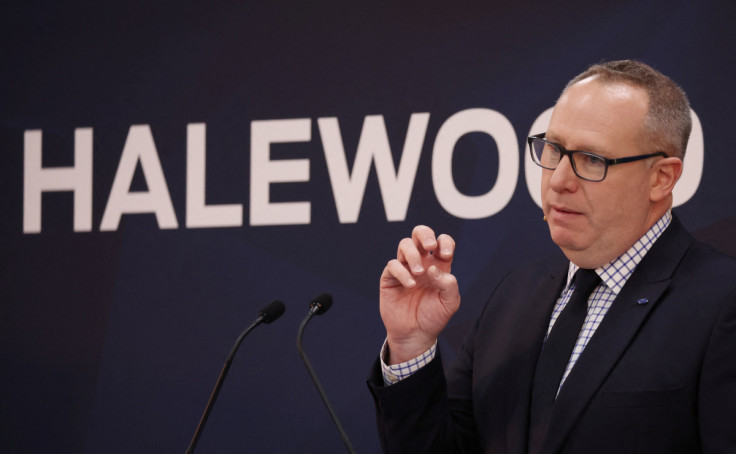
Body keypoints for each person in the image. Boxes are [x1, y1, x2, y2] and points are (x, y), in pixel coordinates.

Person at [367, 60, 736, 454]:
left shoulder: (720, 301)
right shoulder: (514, 297)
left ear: (661, 177)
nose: (558, 180)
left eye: (592, 159)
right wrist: (411, 346)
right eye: (554, 150)